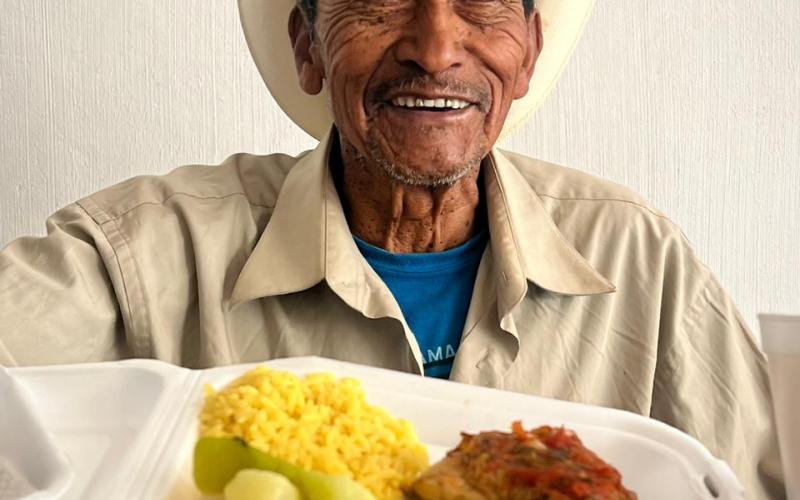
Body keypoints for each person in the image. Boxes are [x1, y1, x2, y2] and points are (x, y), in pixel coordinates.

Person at [0, 0, 785, 497]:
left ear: (527, 53)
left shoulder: (640, 257)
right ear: (308, 44)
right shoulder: (147, 246)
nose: (436, 45)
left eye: (481, 2)